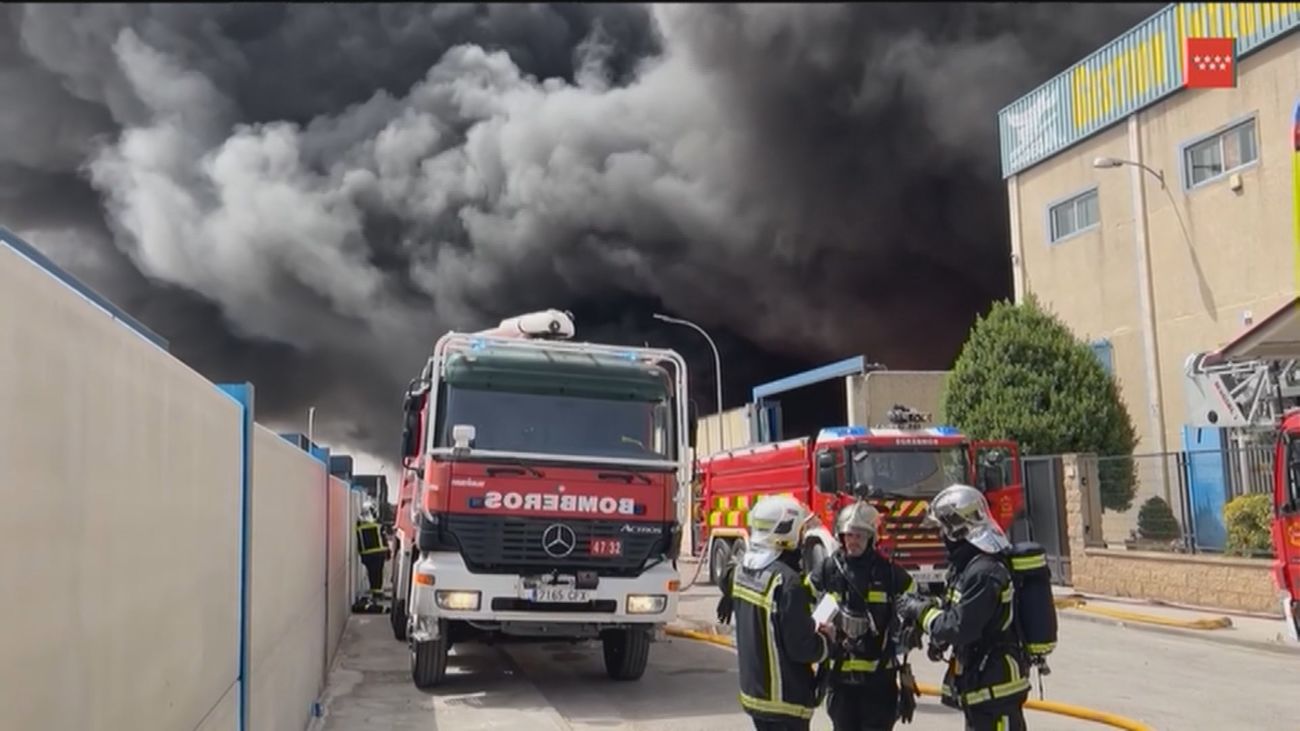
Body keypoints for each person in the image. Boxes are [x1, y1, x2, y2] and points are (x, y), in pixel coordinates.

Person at [895, 484, 1031, 731]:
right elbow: (957, 611)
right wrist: (937, 635)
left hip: (996, 685)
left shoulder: (984, 572)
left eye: (943, 530)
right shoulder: (968, 568)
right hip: (981, 682)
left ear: (958, 528)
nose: (941, 536)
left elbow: (960, 626)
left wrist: (921, 612)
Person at [716, 495, 833, 731]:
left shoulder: (741, 571)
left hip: (755, 696)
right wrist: (828, 641)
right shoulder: (787, 582)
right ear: (786, 532)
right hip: (785, 702)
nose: (802, 536)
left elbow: (727, 579)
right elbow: (802, 648)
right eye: (800, 529)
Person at [808, 500, 920, 730]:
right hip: (840, 680)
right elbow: (800, 598)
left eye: (860, 535)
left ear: (872, 537)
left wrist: (913, 626)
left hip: (879, 682)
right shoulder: (829, 569)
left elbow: (915, 599)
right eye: (849, 535)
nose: (853, 541)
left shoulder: (888, 571)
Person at [355, 499, 389, 609]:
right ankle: (377, 593)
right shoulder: (376, 523)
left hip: (367, 555)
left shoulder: (359, 523)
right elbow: (383, 537)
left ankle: (376, 593)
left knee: (372, 574)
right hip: (377, 553)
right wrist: (387, 550)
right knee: (377, 574)